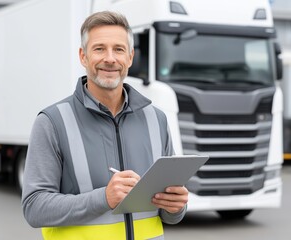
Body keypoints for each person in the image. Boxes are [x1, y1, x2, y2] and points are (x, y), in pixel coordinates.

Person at [22, 11, 188, 240]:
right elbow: (34, 207)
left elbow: (169, 215)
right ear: (83, 56)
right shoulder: (52, 121)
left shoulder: (156, 119)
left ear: (130, 57)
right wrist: (103, 198)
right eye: (99, 48)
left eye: (119, 49)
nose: (110, 58)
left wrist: (176, 207)